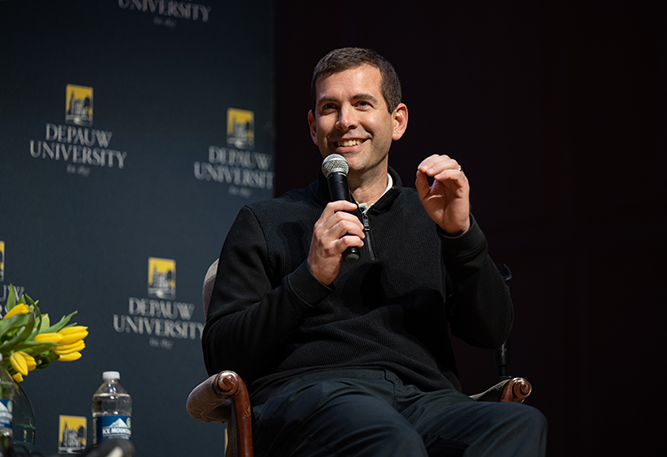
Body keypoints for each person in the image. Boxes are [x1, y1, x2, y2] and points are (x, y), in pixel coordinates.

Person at [202, 47, 547, 456]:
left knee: (519, 424)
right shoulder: (266, 221)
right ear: (314, 127)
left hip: (424, 402)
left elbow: (491, 330)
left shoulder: (430, 216)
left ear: (397, 120)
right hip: (312, 399)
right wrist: (308, 277)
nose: (345, 121)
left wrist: (461, 235)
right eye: (330, 107)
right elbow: (222, 353)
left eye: (361, 103)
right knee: (387, 436)